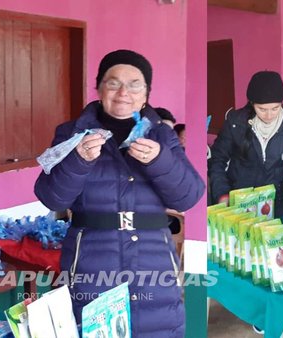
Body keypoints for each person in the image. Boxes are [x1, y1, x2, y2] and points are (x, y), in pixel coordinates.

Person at [35, 50, 204, 337]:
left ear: (146, 93)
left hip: (153, 259)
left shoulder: (162, 135)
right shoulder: (71, 133)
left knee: (157, 328)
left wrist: (158, 161)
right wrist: (79, 159)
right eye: (113, 83)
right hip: (91, 259)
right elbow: (52, 198)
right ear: (99, 88)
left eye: (135, 84)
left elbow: (188, 196)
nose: (124, 92)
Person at [209, 71, 283, 228]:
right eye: (262, 109)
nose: (269, 115)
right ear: (252, 104)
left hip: (276, 204)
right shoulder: (236, 122)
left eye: (275, 108)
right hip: (239, 205)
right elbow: (217, 160)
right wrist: (222, 193)